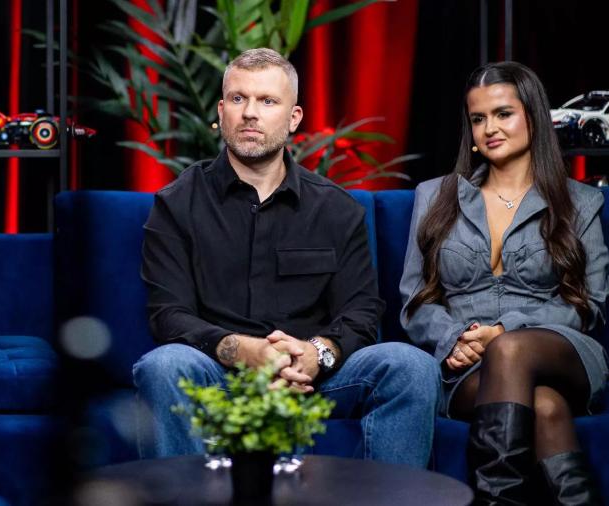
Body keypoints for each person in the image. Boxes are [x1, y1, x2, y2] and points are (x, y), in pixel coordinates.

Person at [133, 48, 440, 468]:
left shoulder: (337, 209)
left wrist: (315, 355)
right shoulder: (177, 204)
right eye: (238, 99)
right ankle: (184, 497)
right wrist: (245, 351)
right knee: (163, 365)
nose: (250, 113)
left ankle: (386, 497)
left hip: (312, 381)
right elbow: (168, 315)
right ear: (221, 111)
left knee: (411, 366)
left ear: (294, 117)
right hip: (219, 376)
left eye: (267, 101)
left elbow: (361, 313)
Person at [400, 61, 609, 505]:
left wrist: (502, 331)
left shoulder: (580, 202)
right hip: (467, 366)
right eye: (478, 118)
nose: (490, 128)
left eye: (503, 114)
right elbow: (414, 300)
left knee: (510, 347)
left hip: (559, 350)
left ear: (532, 116)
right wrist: (455, 338)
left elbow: (588, 305)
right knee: (546, 407)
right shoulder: (434, 196)